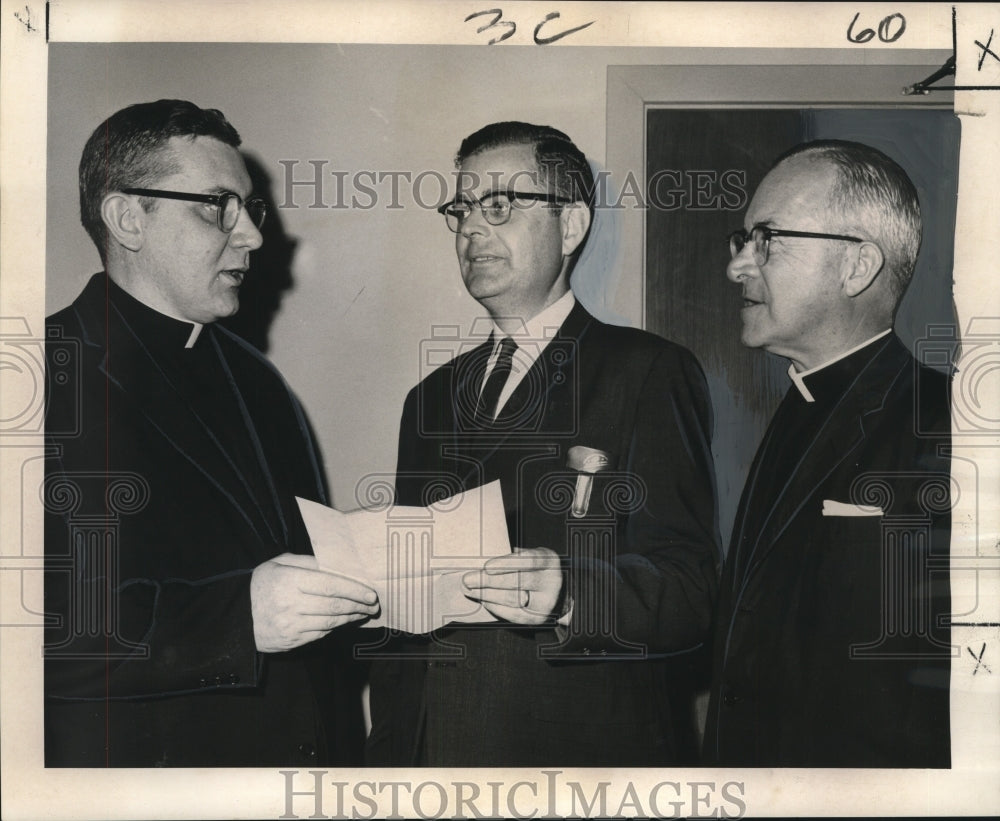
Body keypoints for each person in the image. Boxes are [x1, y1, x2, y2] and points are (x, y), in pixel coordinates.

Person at [366, 121, 720, 766]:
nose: (472, 229)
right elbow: (404, 615)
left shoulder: (646, 370)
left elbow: (691, 592)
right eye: (462, 209)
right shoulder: (429, 397)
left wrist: (570, 591)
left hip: (574, 755)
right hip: (429, 755)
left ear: (572, 224)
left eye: (500, 204)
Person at [43, 99, 378, 767]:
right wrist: (239, 619)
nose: (252, 236)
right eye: (215, 205)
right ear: (128, 218)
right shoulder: (39, 375)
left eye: (248, 208)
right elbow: (34, 630)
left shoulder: (259, 381)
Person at [703, 140, 952, 767]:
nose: (736, 267)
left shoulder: (949, 429)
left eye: (767, 239)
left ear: (856, 266)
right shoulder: (797, 403)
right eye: (741, 240)